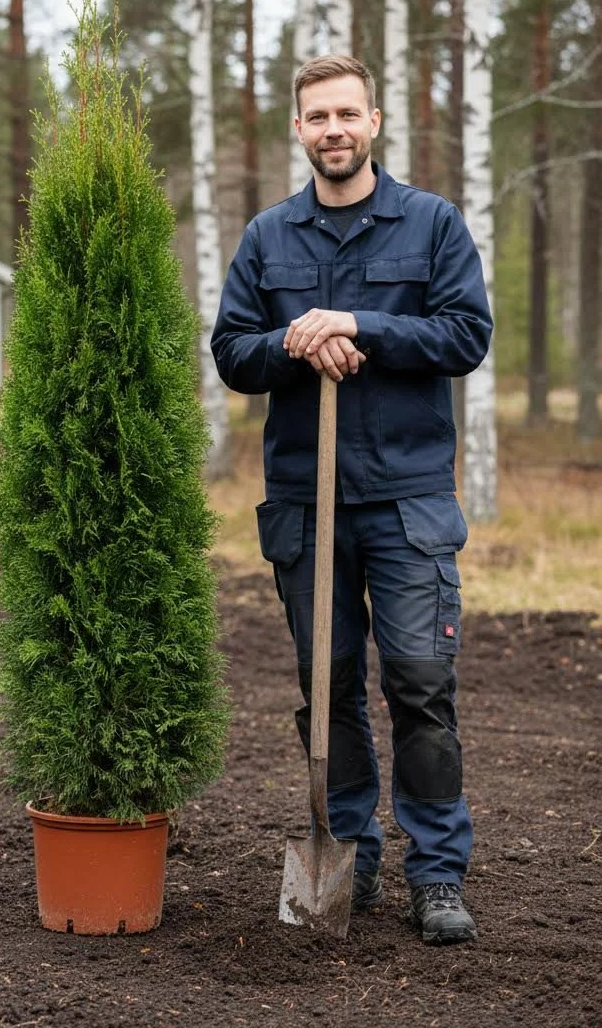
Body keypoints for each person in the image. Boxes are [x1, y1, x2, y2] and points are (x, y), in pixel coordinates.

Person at [211, 54, 493, 945]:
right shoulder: (268, 238)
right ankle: (352, 854)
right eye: (316, 117)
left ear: (374, 122)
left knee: (419, 681)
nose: (333, 129)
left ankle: (437, 872)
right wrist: (297, 341)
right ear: (298, 131)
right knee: (326, 687)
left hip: (406, 500)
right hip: (307, 500)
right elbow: (230, 351)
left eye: (347, 114)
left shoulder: (432, 224)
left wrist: (358, 323)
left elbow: (464, 334)